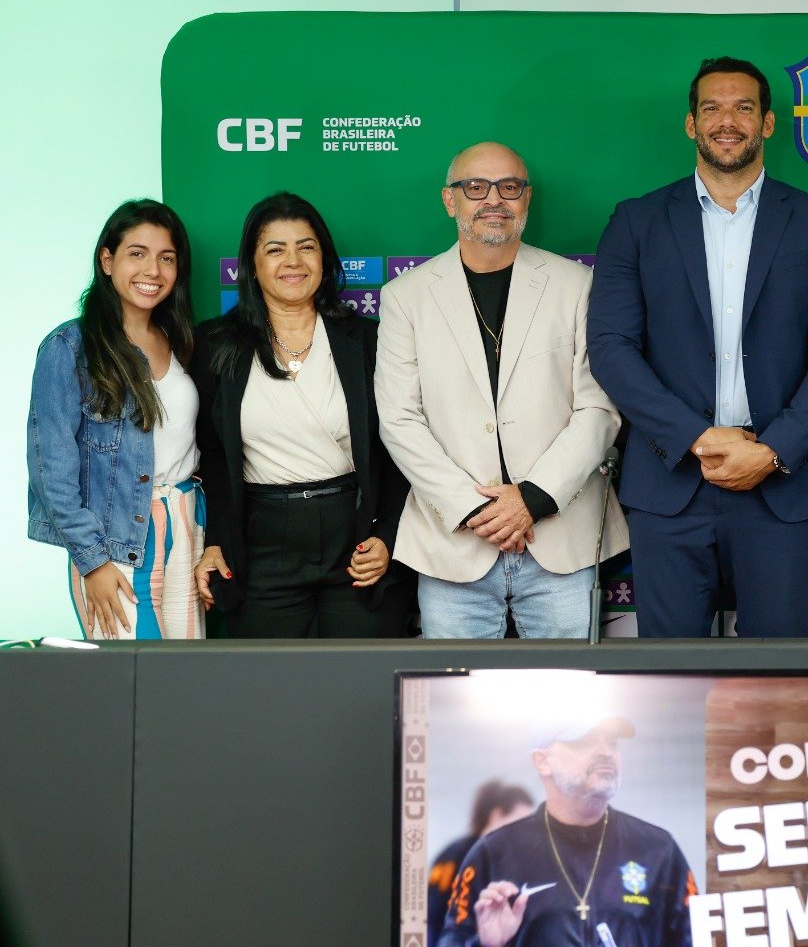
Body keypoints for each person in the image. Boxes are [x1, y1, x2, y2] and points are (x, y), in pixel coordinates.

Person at [588, 56, 808, 638]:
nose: (727, 121)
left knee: (776, 674)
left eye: (744, 108)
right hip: (670, 483)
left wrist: (773, 449)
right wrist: (697, 436)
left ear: (768, 123)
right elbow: (612, 347)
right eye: (712, 108)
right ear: (691, 123)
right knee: (669, 675)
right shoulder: (636, 222)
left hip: (782, 485)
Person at [376, 142, 626, 639]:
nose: (494, 199)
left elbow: (598, 407)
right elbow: (400, 420)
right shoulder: (405, 296)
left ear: (526, 198)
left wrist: (531, 499)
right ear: (450, 200)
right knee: (454, 687)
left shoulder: (577, 284)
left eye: (509, 187)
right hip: (454, 544)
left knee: (568, 687)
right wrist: (476, 511)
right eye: (476, 187)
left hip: (561, 536)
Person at [191, 192, 413, 637]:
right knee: (272, 677)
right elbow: (212, 456)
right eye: (275, 249)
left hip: (355, 539)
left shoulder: (367, 340)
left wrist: (387, 535)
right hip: (260, 544)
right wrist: (214, 539)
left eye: (306, 247)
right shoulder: (216, 344)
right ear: (252, 265)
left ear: (324, 259)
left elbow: (397, 445)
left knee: (361, 673)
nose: (293, 261)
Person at [432, 715, 704, 947]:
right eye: (585, 741)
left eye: (612, 742)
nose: (605, 751)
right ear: (542, 762)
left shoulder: (658, 849)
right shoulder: (493, 854)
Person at [27, 200, 204, 639]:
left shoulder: (178, 338)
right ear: (107, 261)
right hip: (116, 543)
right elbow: (51, 470)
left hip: (185, 530)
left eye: (166, 258)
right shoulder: (69, 348)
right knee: (137, 675)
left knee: (187, 672)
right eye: (137, 253)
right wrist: (92, 561)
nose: (153, 270)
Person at [427, 781, 535, 947]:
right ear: (497, 815)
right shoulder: (453, 857)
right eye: (520, 822)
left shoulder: (515, 860)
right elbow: (429, 921)